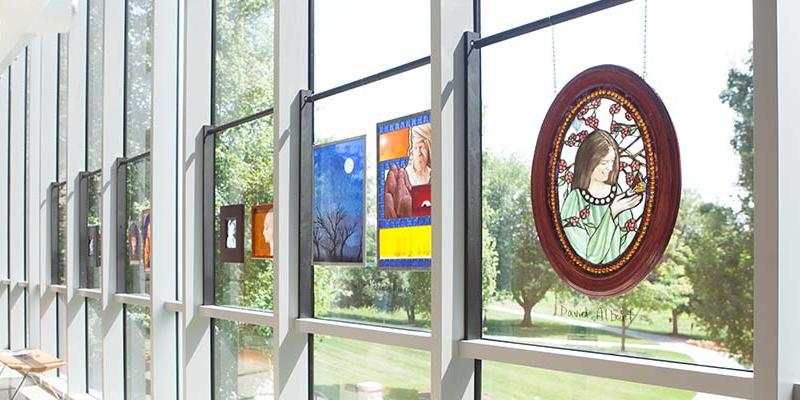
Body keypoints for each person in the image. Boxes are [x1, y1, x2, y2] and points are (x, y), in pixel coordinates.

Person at [561, 129, 642, 264]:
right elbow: (588, 257)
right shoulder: (574, 201)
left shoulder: (618, 194)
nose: (610, 168)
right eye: (604, 162)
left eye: (612, 161)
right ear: (588, 162)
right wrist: (612, 212)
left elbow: (629, 249)